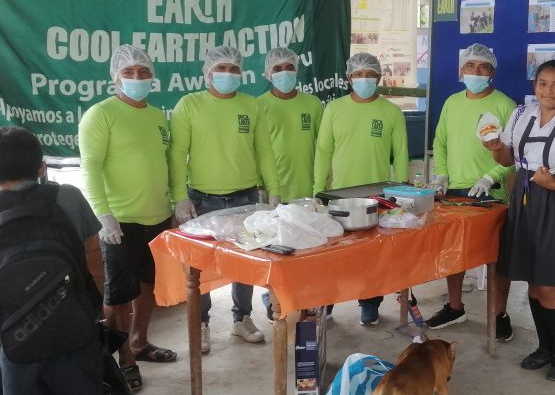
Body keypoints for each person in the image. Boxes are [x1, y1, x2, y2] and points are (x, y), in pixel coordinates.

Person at [0, 127, 108, 395]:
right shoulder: (68, 196)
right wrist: (96, 303)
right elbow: (93, 255)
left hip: (16, 336)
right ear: (41, 166)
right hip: (76, 328)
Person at [483, 58, 555, 382]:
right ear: (535, 86)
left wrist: (553, 185)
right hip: (524, 200)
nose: (549, 90)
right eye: (543, 83)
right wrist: (494, 148)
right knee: (533, 283)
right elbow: (508, 158)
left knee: (549, 284)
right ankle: (545, 347)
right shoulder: (522, 116)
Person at [169, 45, 280, 353]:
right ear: (207, 73)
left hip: (245, 196)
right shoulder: (189, 105)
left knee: (244, 262)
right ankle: (201, 323)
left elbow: (264, 150)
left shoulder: (251, 105)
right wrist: (179, 197)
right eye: (222, 69)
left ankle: (242, 319)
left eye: (234, 69)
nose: (228, 74)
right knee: (199, 266)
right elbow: (177, 154)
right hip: (203, 199)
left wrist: (274, 188)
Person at [78, 45, 176, 391]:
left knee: (148, 285)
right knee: (118, 293)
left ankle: (140, 342)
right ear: (115, 76)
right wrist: (103, 214)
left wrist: (175, 205)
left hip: (158, 218)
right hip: (120, 222)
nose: (137, 78)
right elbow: (89, 167)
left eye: (144, 72)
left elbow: (164, 162)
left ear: (153, 76)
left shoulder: (156, 115)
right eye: (129, 72)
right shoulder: (101, 114)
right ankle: (124, 360)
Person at [426, 44, 517, 339]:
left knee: (497, 257)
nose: (476, 72)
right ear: (460, 70)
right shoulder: (452, 103)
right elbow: (440, 141)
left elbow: (514, 154)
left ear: (492, 73)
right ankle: (454, 306)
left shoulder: (506, 106)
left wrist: (491, 177)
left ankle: (499, 313)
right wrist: (441, 173)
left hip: (491, 194)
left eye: (483, 67)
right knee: (454, 251)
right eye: (470, 66)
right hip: (454, 191)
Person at [313, 52, 408, 325]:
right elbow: (323, 151)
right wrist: (319, 189)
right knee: (331, 253)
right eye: (358, 74)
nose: (364, 79)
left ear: (379, 78)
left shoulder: (391, 111)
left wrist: (400, 194)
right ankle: (325, 302)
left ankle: (370, 303)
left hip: (376, 195)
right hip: (338, 194)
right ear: (348, 78)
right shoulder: (334, 109)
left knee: (371, 255)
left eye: (370, 75)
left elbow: (400, 154)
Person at [258, 47, 324, 203]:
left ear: (297, 70)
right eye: (277, 68)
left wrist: (323, 185)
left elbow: (324, 147)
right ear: (268, 73)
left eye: (289, 67)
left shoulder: (313, 103)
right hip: (273, 192)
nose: (284, 72)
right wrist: (259, 186)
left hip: (309, 190)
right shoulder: (258, 105)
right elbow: (255, 150)